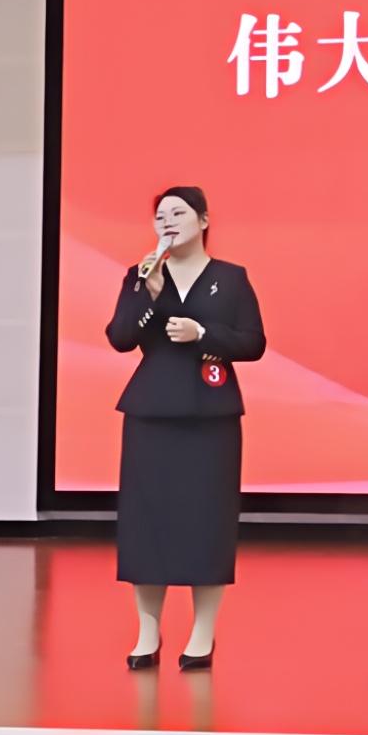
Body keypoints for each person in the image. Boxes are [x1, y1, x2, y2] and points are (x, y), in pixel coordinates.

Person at [105, 185, 265, 670]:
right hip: (151, 410)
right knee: (146, 522)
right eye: (160, 216)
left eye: (178, 213)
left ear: (204, 220)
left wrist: (203, 334)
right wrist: (150, 295)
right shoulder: (141, 275)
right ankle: (147, 631)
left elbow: (253, 342)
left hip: (210, 413)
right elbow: (120, 337)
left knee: (206, 522)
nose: (168, 222)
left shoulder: (231, 278)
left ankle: (202, 633)